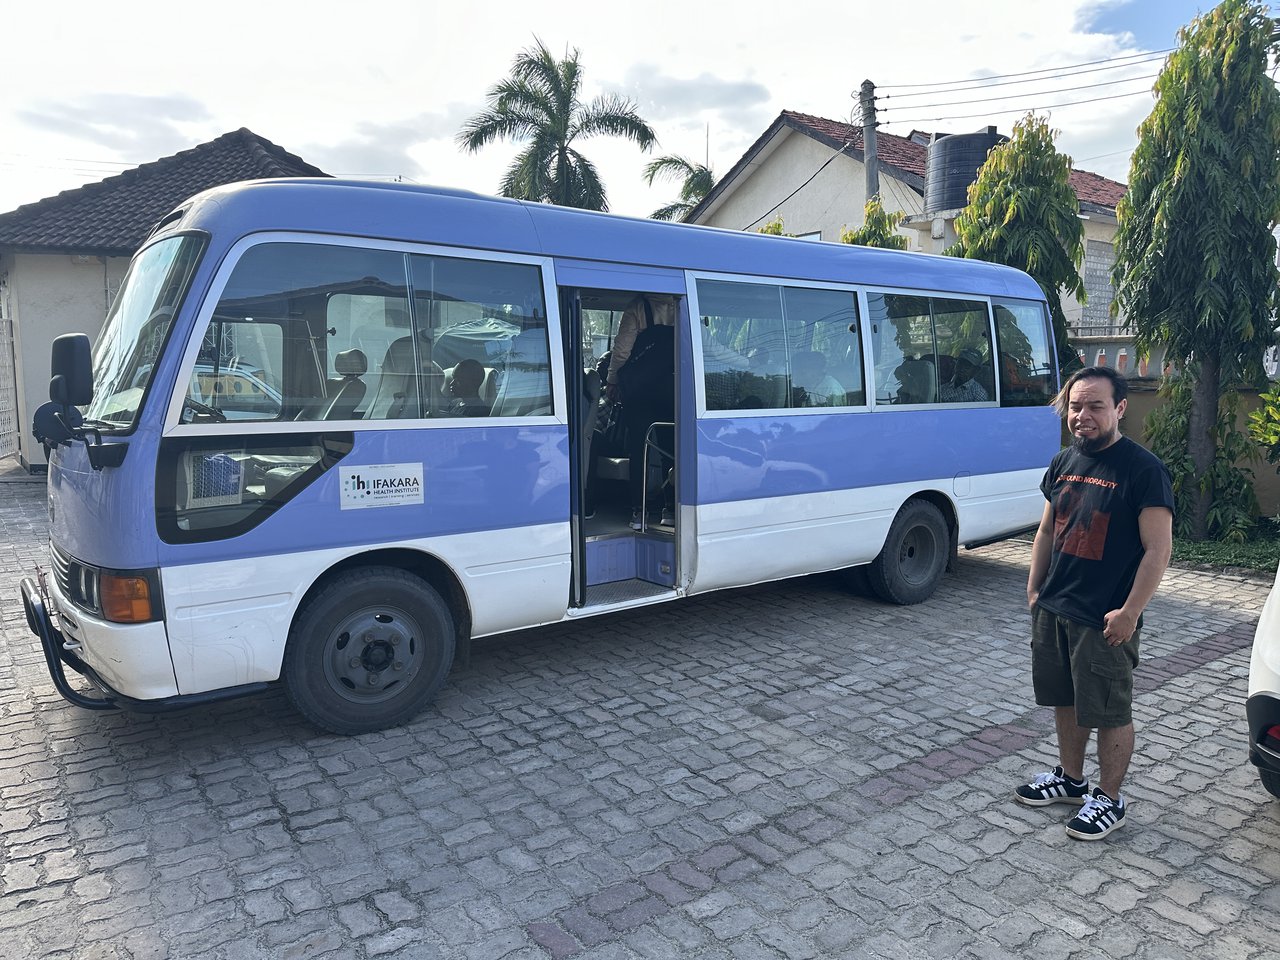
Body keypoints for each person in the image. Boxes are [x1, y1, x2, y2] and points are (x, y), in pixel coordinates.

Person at [1015, 365, 1173, 840]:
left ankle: (1109, 799)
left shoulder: (1143, 470)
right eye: (1075, 406)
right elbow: (1047, 529)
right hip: (1056, 608)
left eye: (1095, 406)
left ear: (1120, 408)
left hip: (1104, 618)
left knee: (1108, 710)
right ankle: (1069, 779)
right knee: (1065, 699)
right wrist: (1034, 588)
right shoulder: (1064, 461)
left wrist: (1130, 612)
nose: (1083, 415)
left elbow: (1158, 550)